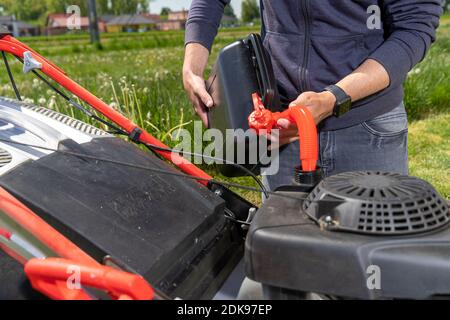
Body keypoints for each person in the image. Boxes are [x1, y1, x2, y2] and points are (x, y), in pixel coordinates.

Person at [183, 0, 442, 191]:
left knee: (372, 251)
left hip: (368, 128)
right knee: (289, 252)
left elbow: (413, 28)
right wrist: (192, 65)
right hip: (283, 126)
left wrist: (334, 98)